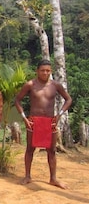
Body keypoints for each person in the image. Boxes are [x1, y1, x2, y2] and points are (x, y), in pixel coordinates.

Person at [15, 59, 72, 189]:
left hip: (50, 121)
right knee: (30, 148)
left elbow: (68, 99)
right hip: (34, 121)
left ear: (50, 71)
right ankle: (27, 176)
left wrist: (60, 114)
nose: (45, 73)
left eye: (47, 70)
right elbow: (17, 100)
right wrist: (24, 117)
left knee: (51, 150)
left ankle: (53, 178)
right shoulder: (30, 85)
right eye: (42, 70)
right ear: (37, 71)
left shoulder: (55, 85)